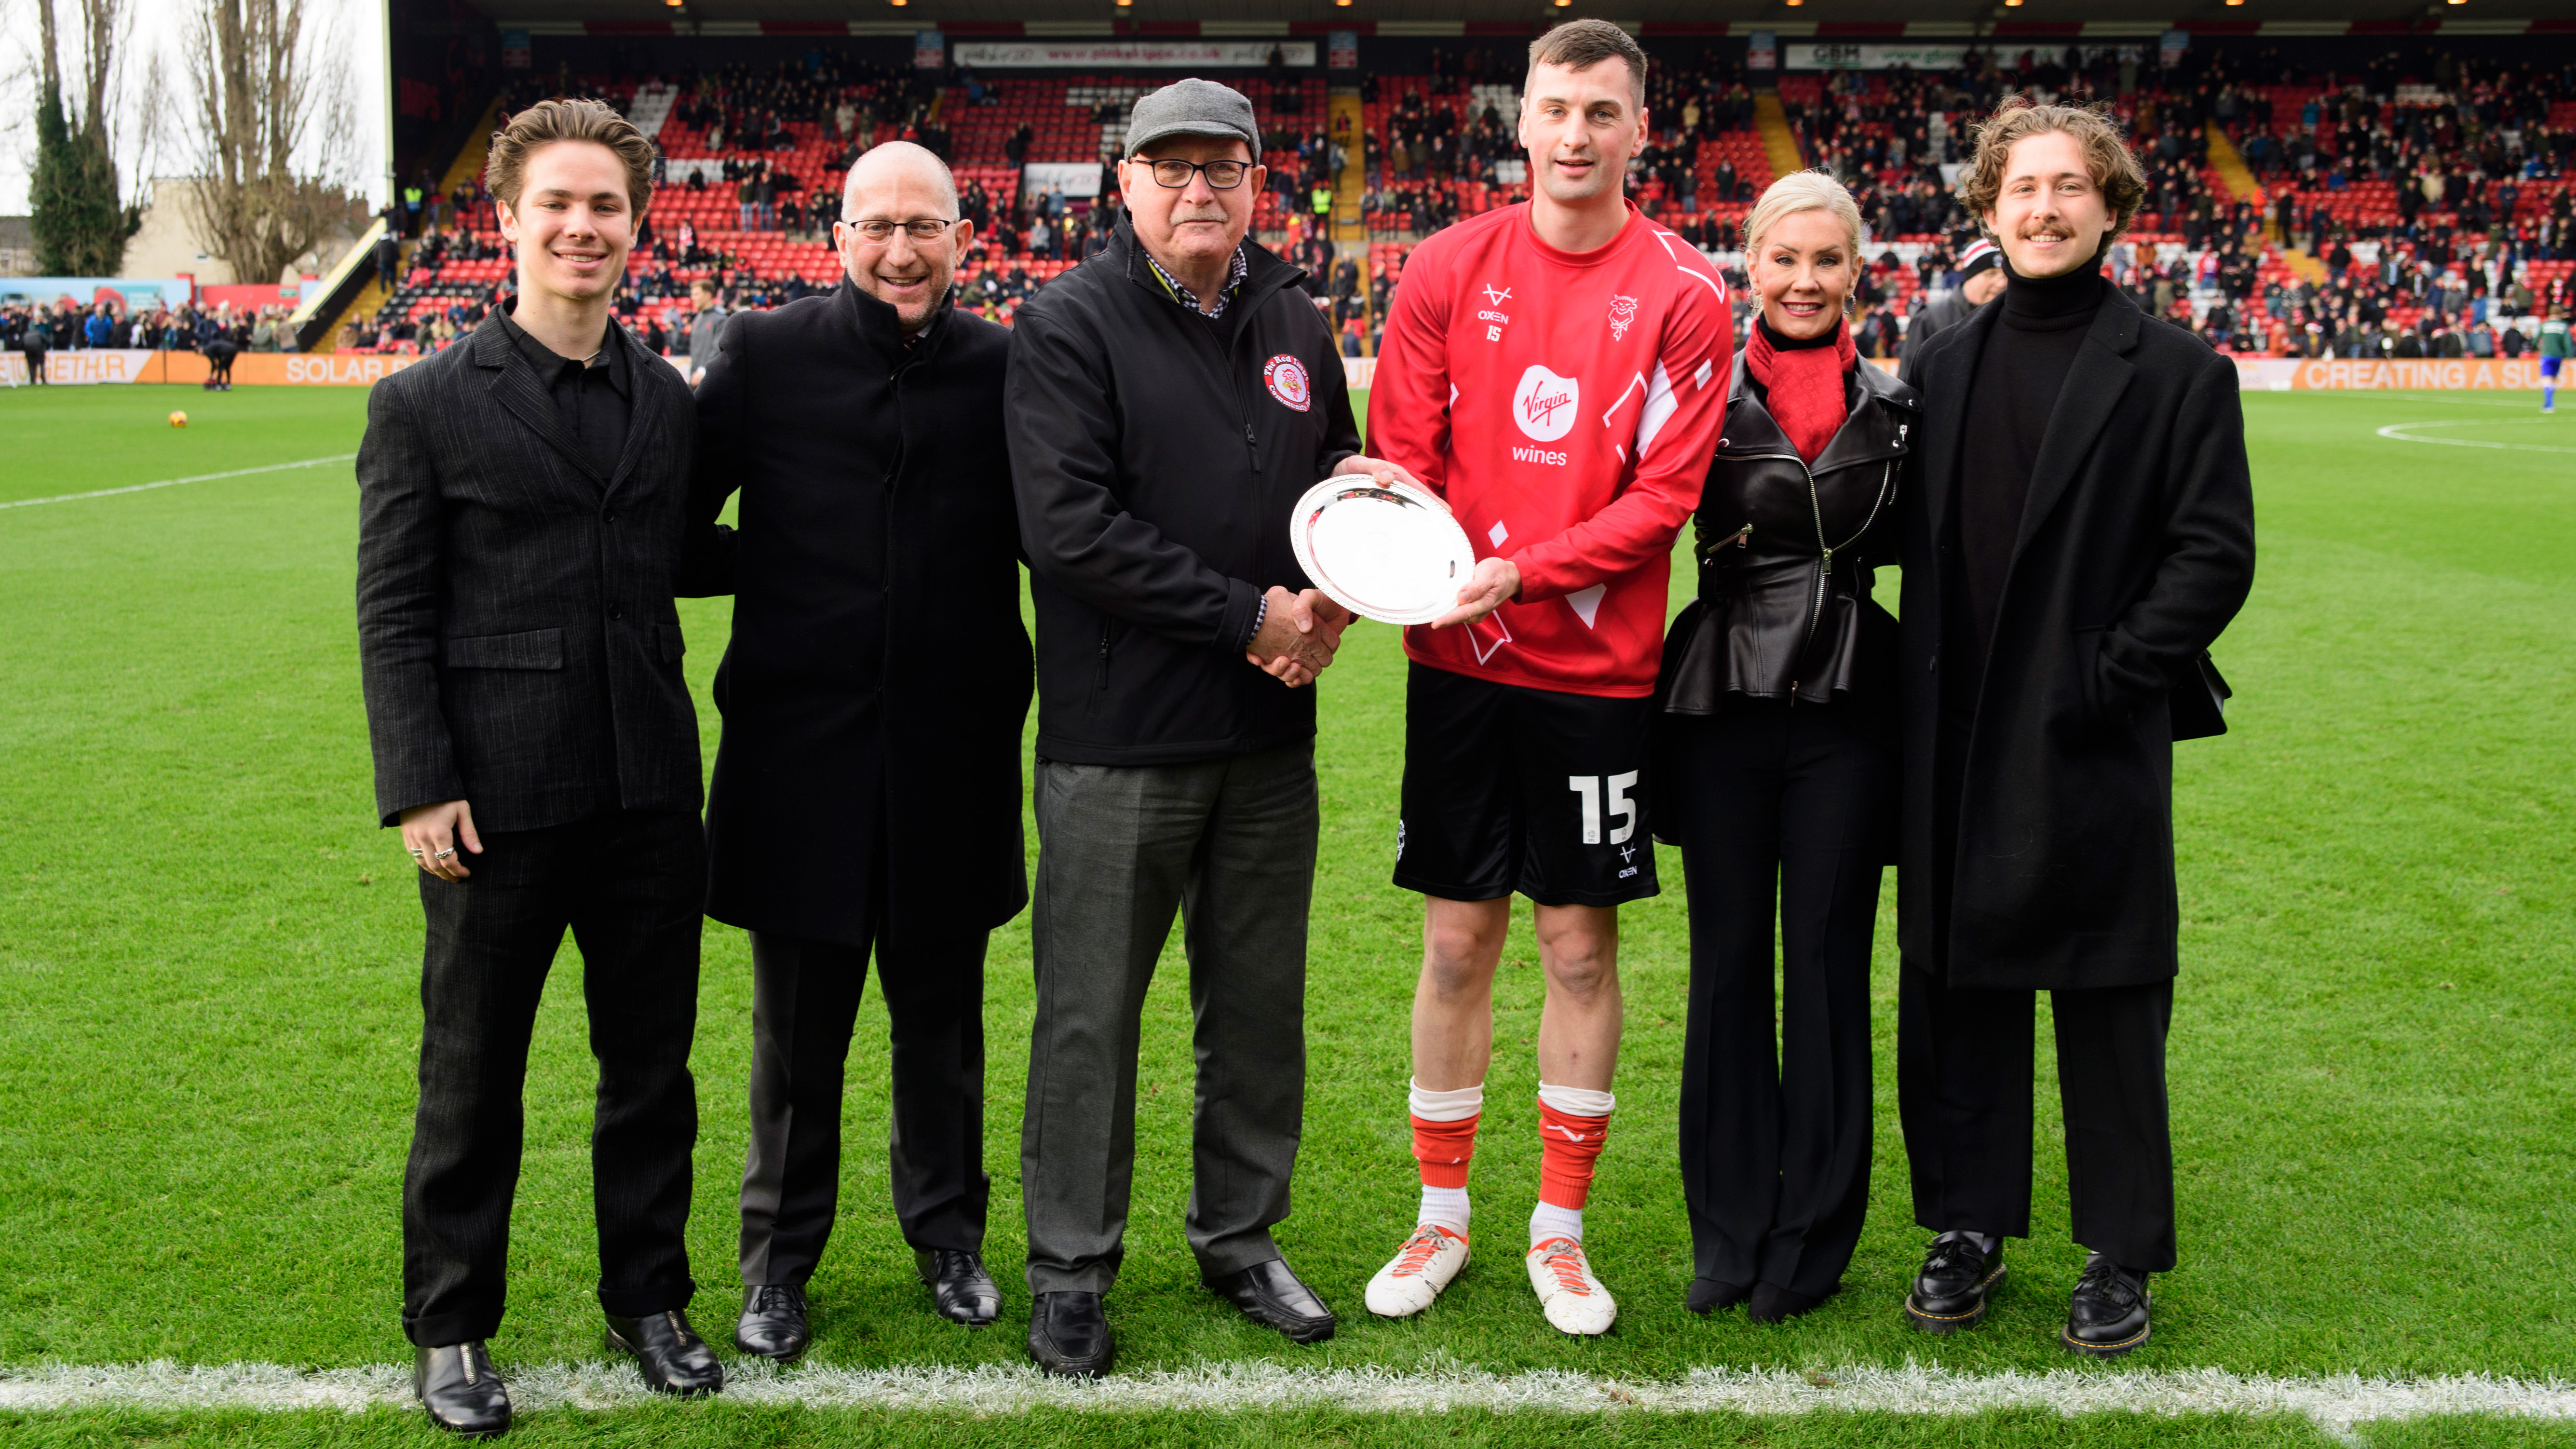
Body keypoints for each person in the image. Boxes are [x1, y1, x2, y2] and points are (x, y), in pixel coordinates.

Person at [1005, 76, 1409, 1380]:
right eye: (1169, 167)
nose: (1197, 189)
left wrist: (1348, 580)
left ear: (1255, 182)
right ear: (1123, 184)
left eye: (1220, 168)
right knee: (1089, 1018)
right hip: (1117, 740)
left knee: (1255, 1010)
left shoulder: (1291, 310)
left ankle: (1239, 1236)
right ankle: (1071, 1265)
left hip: (1262, 741)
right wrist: (1249, 616)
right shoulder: (1067, 321)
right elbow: (1069, 530)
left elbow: (1325, 484)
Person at [355, 98, 728, 1437]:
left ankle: (651, 1298)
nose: (582, 227)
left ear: (637, 228)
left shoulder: (666, 402)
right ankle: (451, 1324)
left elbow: (677, 559)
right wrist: (417, 781)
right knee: (471, 1073)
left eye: (607, 207)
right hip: (492, 806)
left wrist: (840, 545)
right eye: (557, 204)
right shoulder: (421, 405)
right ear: (505, 219)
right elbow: (393, 608)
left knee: (651, 1068)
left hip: (645, 794)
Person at [1358, 20, 1731, 1338]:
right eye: (1554, 108)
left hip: (1592, 676)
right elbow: (1397, 457)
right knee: (1456, 937)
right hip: (1454, 664)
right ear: (1517, 120)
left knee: (1576, 947)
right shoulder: (1445, 265)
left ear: (1639, 132)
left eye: (1600, 113)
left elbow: (1663, 501)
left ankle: (1557, 1234)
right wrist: (1403, 551)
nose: (1573, 134)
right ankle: (1441, 1215)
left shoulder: (1686, 292)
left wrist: (1518, 571)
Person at [1895, 100, 2255, 1359]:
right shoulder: (1937, 365)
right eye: (2019, 188)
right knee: (1959, 982)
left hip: (2087, 731)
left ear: (2108, 206)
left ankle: (2118, 1249)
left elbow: (2211, 556)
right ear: (1986, 207)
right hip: (1950, 733)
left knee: (2106, 992)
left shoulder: (2174, 375)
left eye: (2065, 187)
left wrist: (2107, 674)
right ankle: (1967, 1221)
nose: (2039, 208)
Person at [691, 142, 1030, 1363]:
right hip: (801, 760)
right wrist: (777, 571)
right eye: (877, 225)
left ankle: (948, 1239)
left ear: (961, 236)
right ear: (837, 235)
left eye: (924, 227)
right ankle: (777, 1262)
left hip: (954, 754)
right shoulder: (765, 356)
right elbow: (678, 527)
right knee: (798, 1035)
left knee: (942, 1023)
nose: (901, 249)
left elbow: (1066, 534)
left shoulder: (1007, 364)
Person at [1653, 170, 1915, 1324]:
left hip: (1850, 718)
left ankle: (1810, 1238)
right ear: (1747, 264)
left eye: (1828, 262)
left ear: (1857, 272)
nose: (1804, 281)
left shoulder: (1902, 407)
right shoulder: (1690, 399)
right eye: (1784, 259)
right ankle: (1727, 1230)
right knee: (1724, 973)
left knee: (1822, 973)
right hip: (1720, 708)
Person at [1898, 239, 2004, 384]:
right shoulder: (1930, 317)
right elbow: (1908, 384)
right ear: (1970, 275)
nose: (2002, 283)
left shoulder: (2013, 317)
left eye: (2005, 275)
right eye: (1991, 274)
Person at [685, 280, 728, 386]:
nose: (693, 298)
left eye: (696, 294)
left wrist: (703, 370)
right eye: (692, 294)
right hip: (695, 377)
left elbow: (719, 349)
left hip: (710, 379)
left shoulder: (720, 319)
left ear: (708, 295)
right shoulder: (697, 319)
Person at [2539, 303, 2568, 414]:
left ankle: (2549, 404)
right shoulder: (2563, 326)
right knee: (2553, 380)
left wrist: (2535, 348)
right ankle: (2548, 404)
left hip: (2547, 355)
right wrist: (2569, 357)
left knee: (2547, 379)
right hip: (2558, 356)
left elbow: (2536, 339)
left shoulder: (2545, 324)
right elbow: (2568, 343)